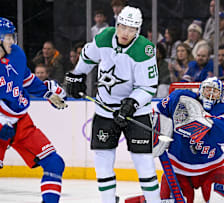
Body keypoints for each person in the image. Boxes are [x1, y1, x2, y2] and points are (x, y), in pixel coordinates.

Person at [65, 6, 161, 203]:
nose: (126, 32)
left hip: (136, 112)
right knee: (102, 159)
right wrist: (77, 75)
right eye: (123, 27)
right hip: (105, 110)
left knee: (143, 162)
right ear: (117, 25)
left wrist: (131, 104)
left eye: (132, 29)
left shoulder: (145, 49)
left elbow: (149, 86)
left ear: (138, 31)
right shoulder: (104, 37)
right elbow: (87, 56)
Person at [0, 17, 68, 203]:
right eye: (7, 37)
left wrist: (48, 93)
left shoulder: (16, 54)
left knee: (54, 163)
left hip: (20, 121)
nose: (12, 41)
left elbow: (27, 80)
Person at [155, 77, 224, 203]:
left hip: (212, 166)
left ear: (220, 95)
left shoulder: (223, 110)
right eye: (207, 90)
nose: (210, 94)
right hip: (178, 167)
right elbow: (158, 112)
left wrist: (207, 121)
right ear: (200, 90)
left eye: (215, 91)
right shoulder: (181, 98)